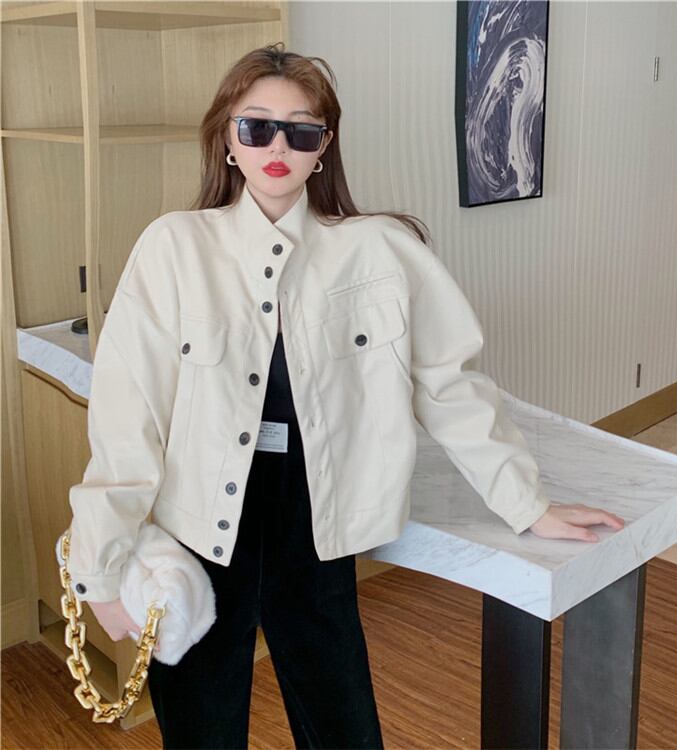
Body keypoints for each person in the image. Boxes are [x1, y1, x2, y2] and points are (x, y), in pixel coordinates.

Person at [73, 43, 625, 749]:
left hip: (317, 521)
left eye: (301, 131)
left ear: (324, 147)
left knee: (344, 729)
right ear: (227, 140)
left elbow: (450, 385)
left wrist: (529, 503)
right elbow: (128, 416)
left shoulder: (380, 251)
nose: (278, 147)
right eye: (256, 127)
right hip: (196, 524)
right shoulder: (173, 248)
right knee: (199, 733)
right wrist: (101, 565)